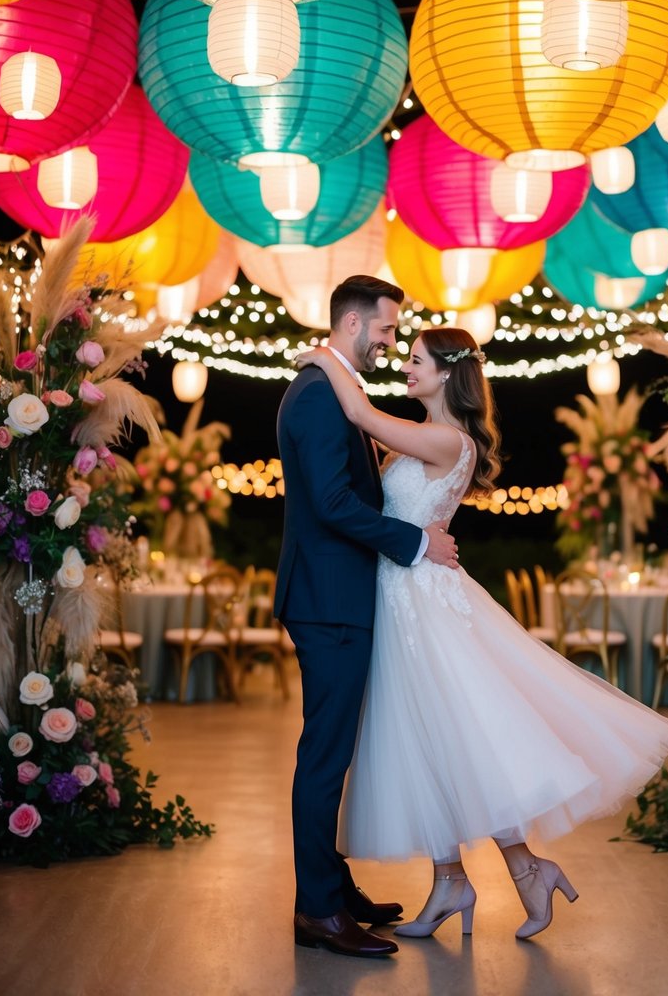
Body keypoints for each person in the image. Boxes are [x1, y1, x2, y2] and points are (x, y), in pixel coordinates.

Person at [294, 326, 668, 941]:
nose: (406, 367)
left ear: (447, 374)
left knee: (455, 736)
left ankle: (518, 869)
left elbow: (358, 411)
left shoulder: (448, 440)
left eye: (416, 360)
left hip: (423, 606)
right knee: (427, 742)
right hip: (402, 599)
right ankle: (460, 879)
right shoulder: (427, 438)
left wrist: (322, 357)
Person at [275, 276, 459, 959]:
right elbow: (331, 505)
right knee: (324, 758)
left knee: (332, 755)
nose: (389, 342)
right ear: (353, 324)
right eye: (385, 330)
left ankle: (334, 890)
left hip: (334, 598)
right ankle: (318, 912)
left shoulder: (329, 388)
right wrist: (413, 543)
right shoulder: (321, 395)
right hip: (328, 603)